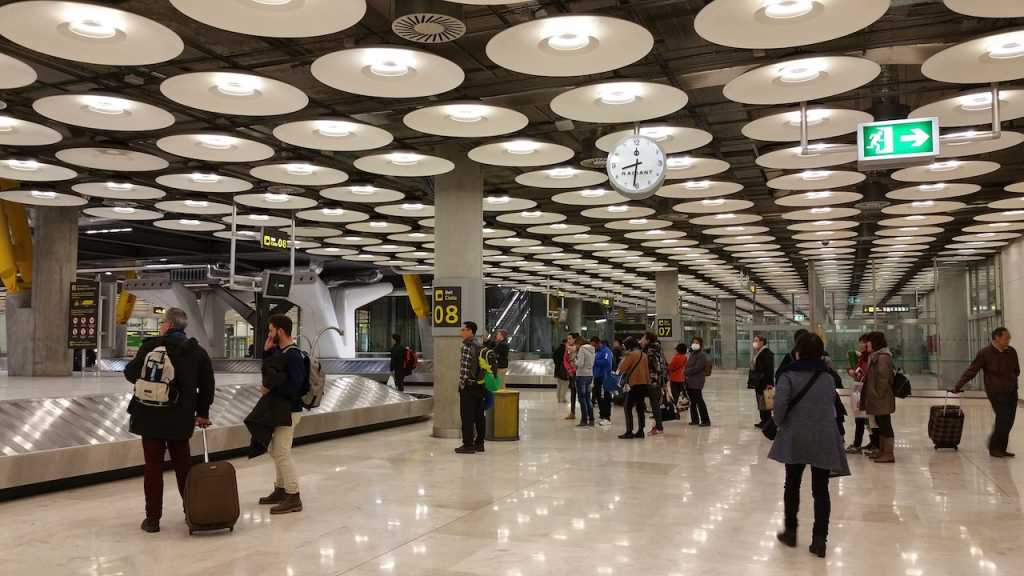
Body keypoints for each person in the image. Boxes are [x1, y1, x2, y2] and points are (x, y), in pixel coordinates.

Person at [124, 307, 215, 533]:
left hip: (149, 414)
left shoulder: (150, 346)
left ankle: (152, 520)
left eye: (162, 322)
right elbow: (207, 386)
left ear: (169, 325)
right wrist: (202, 413)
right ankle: (192, 513)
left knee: (153, 467)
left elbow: (130, 373)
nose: (161, 325)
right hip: (180, 417)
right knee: (183, 466)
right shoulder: (197, 352)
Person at [770, 333, 850, 559]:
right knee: (821, 489)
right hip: (823, 436)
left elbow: (779, 407)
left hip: (795, 436)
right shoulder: (827, 377)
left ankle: (791, 531)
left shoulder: (788, 375)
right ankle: (819, 540)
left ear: (798, 351)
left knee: (792, 484)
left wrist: (779, 423)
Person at [257, 314, 309, 513]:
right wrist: (267, 352)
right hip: (280, 410)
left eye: (271, 330)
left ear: (280, 331)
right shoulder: (281, 352)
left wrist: (270, 390)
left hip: (289, 411)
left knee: (281, 452)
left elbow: (295, 386)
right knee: (275, 450)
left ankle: (293, 496)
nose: (269, 334)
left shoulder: (294, 355)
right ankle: (280, 489)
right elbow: (268, 374)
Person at [953, 327, 1020, 457]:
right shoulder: (985, 353)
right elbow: (972, 370)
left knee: (1009, 421)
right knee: (1003, 418)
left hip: (1012, 391)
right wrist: (958, 386)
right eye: (1006, 338)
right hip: (996, 392)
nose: (1008, 340)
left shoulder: (1011, 351)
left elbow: (1017, 370)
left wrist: (1012, 380)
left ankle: (1001, 448)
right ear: (997, 338)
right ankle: (994, 448)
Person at [861, 331, 895, 464]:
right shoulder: (875, 356)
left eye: (868, 341)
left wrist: (877, 395)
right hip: (877, 398)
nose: (866, 344)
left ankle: (888, 453)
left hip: (881, 398)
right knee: (880, 425)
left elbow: (883, 379)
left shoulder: (882, 357)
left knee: (885, 425)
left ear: (875, 342)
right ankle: (882, 450)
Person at [455, 321, 486, 454]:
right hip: (479, 385)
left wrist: (462, 384)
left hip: (469, 386)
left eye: (463, 330)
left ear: (470, 331)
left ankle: (468, 444)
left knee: (467, 416)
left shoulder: (468, 346)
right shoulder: (479, 345)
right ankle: (479, 443)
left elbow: (465, 369)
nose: (461, 332)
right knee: (479, 416)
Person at [616, 337, 651, 439]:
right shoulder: (644, 355)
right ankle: (641, 431)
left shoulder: (630, 355)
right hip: (643, 384)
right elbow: (647, 371)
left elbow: (621, 368)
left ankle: (629, 431)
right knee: (640, 408)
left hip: (634, 384)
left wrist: (624, 358)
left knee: (627, 407)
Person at [845, 335, 875, 455]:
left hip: (865, 392)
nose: (861, 345)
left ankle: (867, 443)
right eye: (860, 342)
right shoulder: (862, 357)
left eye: (863, 342)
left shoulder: (870, 358)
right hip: (859, 391)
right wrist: (851, 371)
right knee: (861, 419)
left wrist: (855, 372)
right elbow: (855, 369)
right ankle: (863, 443)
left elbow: (865, 374)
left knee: (866, 419)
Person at [641, 331, 667, 435]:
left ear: (648, 340)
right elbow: (664, 365)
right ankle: (658, 426)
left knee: (654, 404)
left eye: (643, 338)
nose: (641, 340)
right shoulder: (659, 350)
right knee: (655, 403)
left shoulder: (650, 351)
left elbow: (647, 365)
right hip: (658, 380)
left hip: (651, 380)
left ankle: (659, 427)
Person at [748, 335, 775, 428]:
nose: (754, 343)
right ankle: (763, 421)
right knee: (761, 402)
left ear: (762, 342)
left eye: (756, 340)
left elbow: (768, 370)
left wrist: (768, 383)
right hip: (759, 382)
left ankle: (767, 422)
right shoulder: (759, 352)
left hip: (765, 383)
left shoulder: (766, 353)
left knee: (766, 403)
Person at [684, 336, 711, 426]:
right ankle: (694, 419)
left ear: (700, 344)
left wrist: (686, 372)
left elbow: (698, 368)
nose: (695, 344)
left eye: (697, 343)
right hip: (690, 381)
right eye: (693, 342)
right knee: (693, 401)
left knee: (699, 401)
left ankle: (705, 420)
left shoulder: (701, 355)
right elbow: (688, 365)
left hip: (697, 381)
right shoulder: (692, 354)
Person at [574, 336, 596, 427]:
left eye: (576, 344)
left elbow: (580, 363)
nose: (576, 346)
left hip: (582, 375)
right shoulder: (592, 349)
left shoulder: (582, 349)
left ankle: (584, 420)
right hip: (590, 375)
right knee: (588, 398)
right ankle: (591, 419)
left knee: (582, 398)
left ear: (579, 343)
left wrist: (575, 360)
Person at [593, 338, 614, 426]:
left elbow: (606, 362)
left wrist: (595, 361)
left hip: (605, 377)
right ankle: (602, 414)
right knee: (599, 396)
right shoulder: (598, 352)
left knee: (606, 397)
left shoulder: (606, 351)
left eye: (595, 345)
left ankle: (607, 417)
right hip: (597, 377)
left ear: (600, 343)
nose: (594, 347)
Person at [668, 343, 688, 407]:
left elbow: (671, 367)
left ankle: (676, 407)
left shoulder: (676, 357)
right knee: (681, 394)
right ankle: (682, 405)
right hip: (682, 378)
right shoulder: (685, 357)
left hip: (674, 379)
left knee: (675, 395)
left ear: (678, 350)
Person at [563, 336, 578, 420]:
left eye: (570, 338)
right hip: (572, 373)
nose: (568, 340)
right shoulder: (567, 349)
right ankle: (572, 412)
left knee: (582, 394)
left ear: (574, 339)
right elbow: (565, 360)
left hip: (579, 373)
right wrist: (569, 370)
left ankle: (586, 414)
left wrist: (574, 369)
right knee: (573, 393)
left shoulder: (578, 348)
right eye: (567, 339)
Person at [553, 337, 570, 404]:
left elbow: (554, 359)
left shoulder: (557, 349)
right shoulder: (565, 350)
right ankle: (563, 398)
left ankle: (559, 398)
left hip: (558, 369)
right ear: (566, 343)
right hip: (564, 370)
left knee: (559, 384)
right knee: (565, 384)